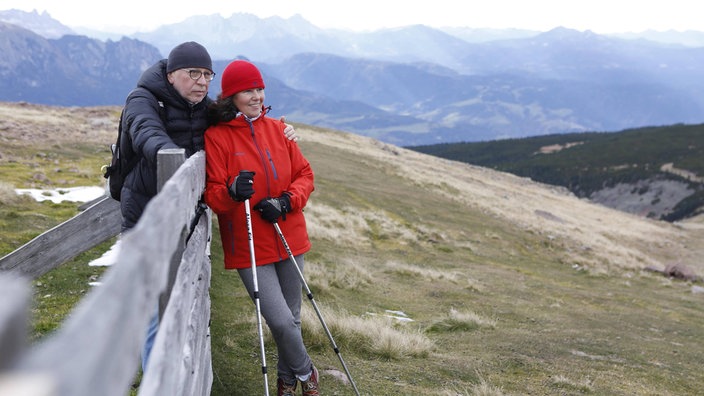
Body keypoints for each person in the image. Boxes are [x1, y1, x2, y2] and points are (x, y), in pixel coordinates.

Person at [118, 42, 298, 372]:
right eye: (193, 73)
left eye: (207, 75)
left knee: (175, 299)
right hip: (147, 217)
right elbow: (146, 132)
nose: (202, 81)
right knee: (155, 311)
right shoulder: (143, 99)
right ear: (172, 75)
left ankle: (162, 370)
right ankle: (157, 383)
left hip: (185, 220)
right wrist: (178, 163)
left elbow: (240, 125)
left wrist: (277, 128)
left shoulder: (202, 108)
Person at [203, 59, 318, 396]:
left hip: (290, 236)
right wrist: (232, 192)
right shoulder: (217, 137)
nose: (256, 95)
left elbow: (305, 176)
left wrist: (286, 201)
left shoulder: (278, 130)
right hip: (249, 244)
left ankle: (285, 381)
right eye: (247, 90)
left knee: (292, 320)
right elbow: (213, 194)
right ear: (231, 97)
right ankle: (306, 373)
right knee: (280, 320)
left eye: (259, 88)